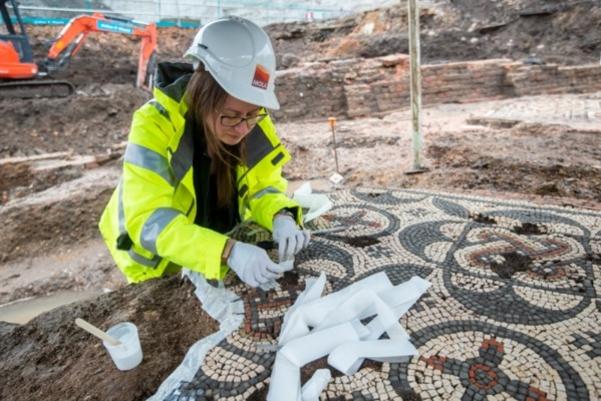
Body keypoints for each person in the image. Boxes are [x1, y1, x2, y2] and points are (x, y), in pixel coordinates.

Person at [99, 16, 310, 287]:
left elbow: (263, 189)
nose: (243, 128)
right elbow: (149, 220)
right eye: (231, 116)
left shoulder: (254, 121)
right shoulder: (155, 126)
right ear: (202, 95)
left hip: (216, 245)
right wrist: (227, 251)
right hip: (159, 264)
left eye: (252, 114)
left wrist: (281, 215)